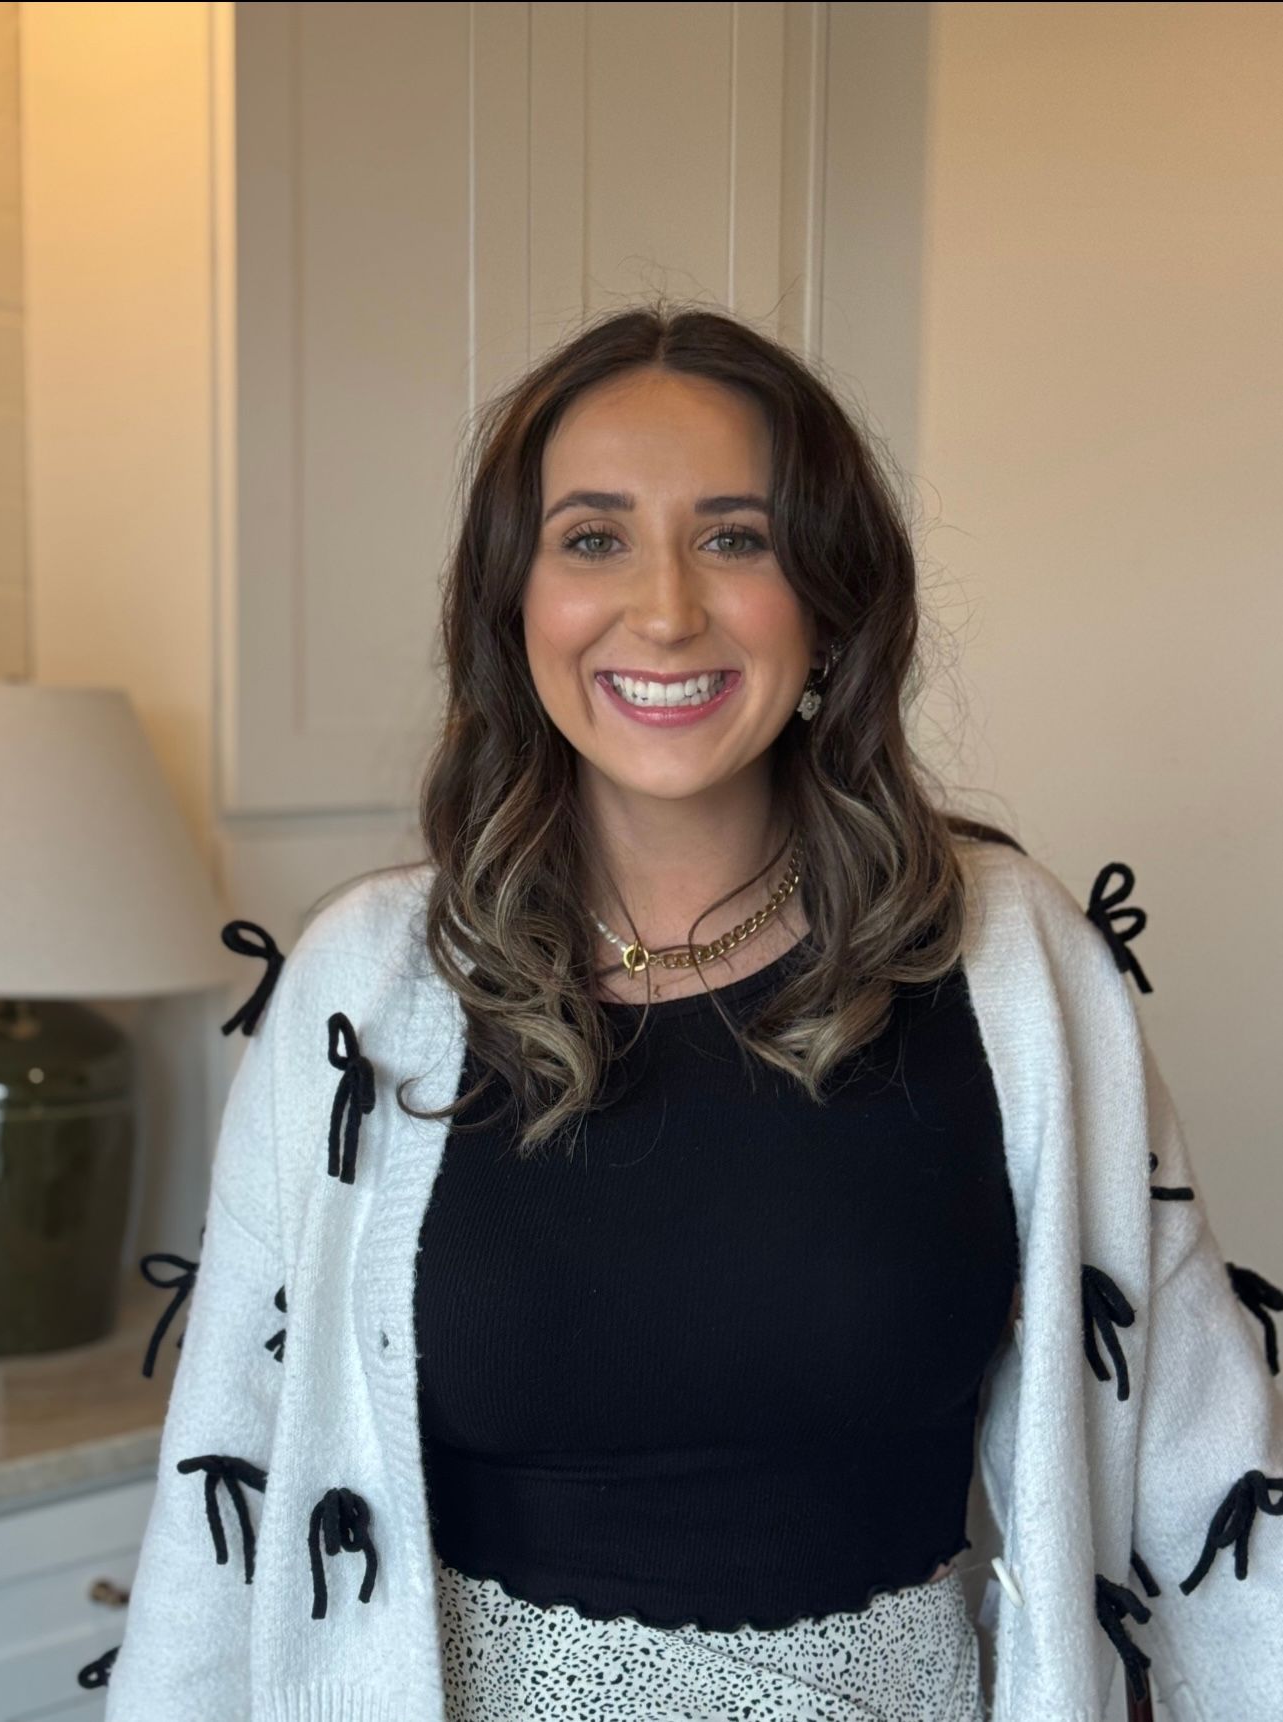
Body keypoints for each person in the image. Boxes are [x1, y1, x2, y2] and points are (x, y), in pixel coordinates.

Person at [98, 304, 1283, 1722]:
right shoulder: (364, 987)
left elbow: (1209, 1486)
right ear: (511, 603)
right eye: (591, 537)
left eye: (737, 536)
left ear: (832, 598)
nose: (663, 608)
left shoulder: (1014, 963)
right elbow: (219, 1501)